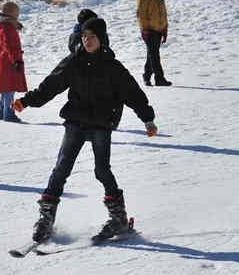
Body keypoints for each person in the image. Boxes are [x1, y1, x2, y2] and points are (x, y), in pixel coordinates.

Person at [10, 18, 158, 243]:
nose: (87, 41)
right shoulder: (74, 62)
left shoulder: (112, 67)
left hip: (101, 122)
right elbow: (51, 85)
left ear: (102, 39)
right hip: (76, 120)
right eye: (84, 36)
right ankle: (46, 218)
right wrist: (27, 101)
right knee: (61, 167)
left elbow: (133, 93)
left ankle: (118, 217)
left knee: (101, 170)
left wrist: (147, 119)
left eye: (92, 37)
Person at [0, 1, 27, 122]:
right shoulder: (7, 28)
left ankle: (2, 112)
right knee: (9, 90)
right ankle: (8, 114)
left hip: (5, 62)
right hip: (9, 63)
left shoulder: (2, 26)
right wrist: (16, 61)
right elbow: (10, 46)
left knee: (5, 90)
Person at [137, 0, 172, 86]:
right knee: (154, 55)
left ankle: (146, 76)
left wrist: (165, 29)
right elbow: (140, 14)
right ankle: (159, 78)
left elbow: (163, 15)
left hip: (158, 30)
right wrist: (144, 29)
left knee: (151, 54)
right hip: (149, 30)